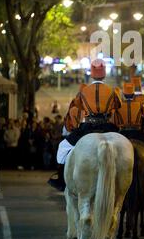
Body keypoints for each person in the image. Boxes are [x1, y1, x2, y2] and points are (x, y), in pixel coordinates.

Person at [48, 59, 121, 191]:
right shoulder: (112, 91)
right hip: (108, 127)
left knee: (62, 147)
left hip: (88, 127)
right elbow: (118, 106)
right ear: (104, 74)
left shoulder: (84, 91)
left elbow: (79, 106)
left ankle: (61, 179)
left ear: (92, 74)